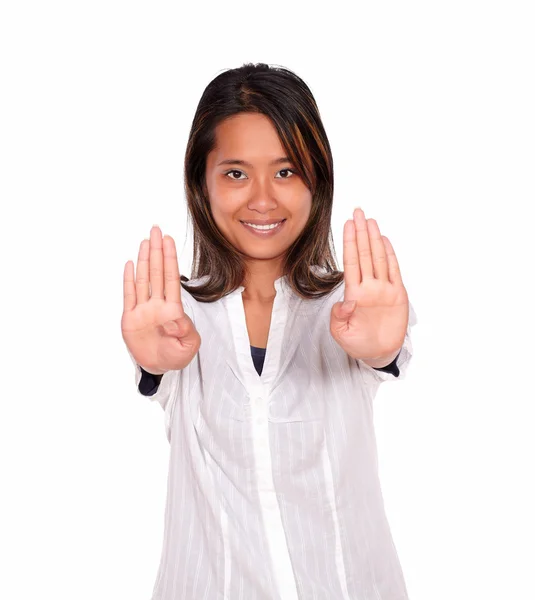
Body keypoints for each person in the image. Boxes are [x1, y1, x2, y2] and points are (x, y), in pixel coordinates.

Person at [121, 62, 418, 600]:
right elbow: (157, 367)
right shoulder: (175, 314)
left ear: (317, 179)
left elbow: (386, 347)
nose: (262, 199)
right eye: (235, 173)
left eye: (286, 172)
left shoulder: (352, 305)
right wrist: (153, 365)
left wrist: (382, 350)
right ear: (201, 182)